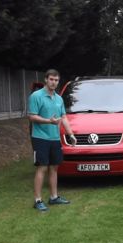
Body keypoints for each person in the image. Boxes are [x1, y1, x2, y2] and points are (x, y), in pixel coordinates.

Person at [28, 69, 76, 212]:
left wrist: (71, 134)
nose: (54, 82)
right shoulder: (36, 96)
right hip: (40, 138)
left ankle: (54, 197)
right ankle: (38, 200)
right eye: (51, 79)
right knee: (42, 167)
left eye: (56, 80)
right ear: (46, 80)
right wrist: (49, 121)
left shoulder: (59, 99)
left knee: (54, 167)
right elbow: (32, 116)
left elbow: (64, 118)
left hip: (55, 138)